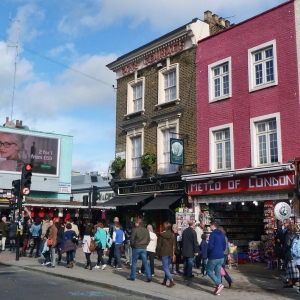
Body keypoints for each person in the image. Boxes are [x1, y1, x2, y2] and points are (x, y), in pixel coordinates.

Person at [127, 218, 152, 282]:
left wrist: (133, 246)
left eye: (136, 223)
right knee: (145, 262)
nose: (135, 224)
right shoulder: (146, 230)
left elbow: (132, 239)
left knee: (134, 262)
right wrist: (145, 245)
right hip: (143, 248)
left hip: (136, 247)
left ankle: (132, 276)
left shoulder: (135, 230)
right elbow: (148, 239)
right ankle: (149, 276)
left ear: (138, 223)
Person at [207, 221, 226, 296]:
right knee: (218, 272)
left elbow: (210, 246)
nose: (209, 227)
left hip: (214, 255)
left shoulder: (212, 234)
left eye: (210, 226)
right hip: (221, 256)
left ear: (213, 225)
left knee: (209, 270)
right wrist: (221, 251)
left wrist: (208, 253)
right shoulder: (222, 234)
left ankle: (219, 284)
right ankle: (218, 289)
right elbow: (224, 245)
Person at [156, 222, 176, 287]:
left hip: (164, 252)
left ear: (164, 227)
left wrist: (157, 253)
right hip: (170, 252)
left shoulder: (162, 235)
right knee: (167, 268)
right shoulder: (172, 235)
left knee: (165, 268)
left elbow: (159, 245)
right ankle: (165, 281)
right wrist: (173, 253)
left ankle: (171, 280)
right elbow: (174, 245)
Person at [283, 223, 299, 288]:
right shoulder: (297, 235)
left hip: (290, 253)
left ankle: (290, 283)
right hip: (296, 254)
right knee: (296, 269)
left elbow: (287, 245)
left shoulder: (288, 236)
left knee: (289, 269)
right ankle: (295, 281)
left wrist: (284, 251)